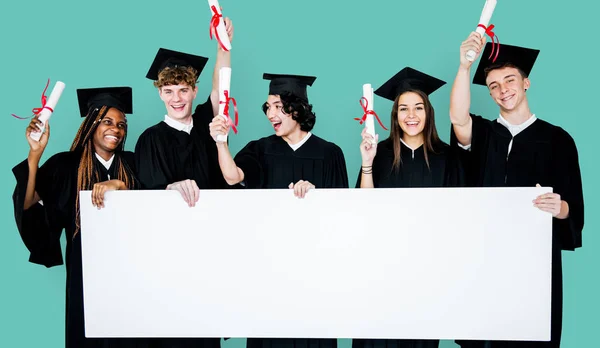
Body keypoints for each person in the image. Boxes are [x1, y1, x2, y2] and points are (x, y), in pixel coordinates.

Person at [450, 34, 584, 348]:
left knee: (531, 334)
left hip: (535, 257)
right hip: (485, 254)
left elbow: (572, 208)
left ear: (526, 83)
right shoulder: (483, 134)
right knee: (484, 334)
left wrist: (558, 206)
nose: (502, 90)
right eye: (494, 85)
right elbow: (457, 116)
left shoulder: (557, 139)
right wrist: (463, 66)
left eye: (510, 80)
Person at [12, 87, 140, 347]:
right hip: (85, 272)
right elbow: (29, 204)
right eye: (107, 121)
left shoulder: (133, 164)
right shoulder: (66, 165)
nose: (115, 129)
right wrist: (35, 155)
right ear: (92, 123)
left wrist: (120, 186)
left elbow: (155, 206)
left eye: (121, 124)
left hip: (132, 273)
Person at [135, 18, 234, 206]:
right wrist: (171, 188)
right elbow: (148, 195)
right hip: (173, 227)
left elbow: (220, 86)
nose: (176, 99)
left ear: (194, 92)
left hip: (217, 219)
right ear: (160, 94)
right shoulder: (150, 139)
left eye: (183, 90)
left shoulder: (208, 124)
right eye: (168, 91)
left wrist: (223, 45)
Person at [209, 73, 349, 198]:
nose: (270, 115)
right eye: (268, 107)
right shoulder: (260, 150)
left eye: (277, 106)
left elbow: (341, 208)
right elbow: (233, 177)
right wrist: (220, 142)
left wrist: (315, 195)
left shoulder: (330, 154)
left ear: (298, 110)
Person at [356, 67, 462, 191]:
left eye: (418, 108)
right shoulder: (380, 153)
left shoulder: (447, 156)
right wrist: (367, 162)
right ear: (396, 115)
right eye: (403, 108)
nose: (411, 115)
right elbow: (365, 204)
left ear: (428, 113)